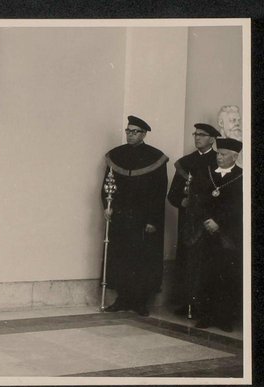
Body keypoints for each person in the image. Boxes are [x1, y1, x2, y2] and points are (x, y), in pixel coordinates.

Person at [102, 115, 168, 316]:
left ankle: (140, 302)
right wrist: (107, 205)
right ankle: (122, 299)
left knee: (141, 259)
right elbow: (107, 184)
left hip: (143, 218)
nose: (130, 135)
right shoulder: (116, 155)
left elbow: (159, 192)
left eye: (134, 132)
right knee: (121, 257)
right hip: (121, 216)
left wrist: (153, 220)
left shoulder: (155, 157)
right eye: (128, 131)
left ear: (144, 134)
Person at [185, 138, 243, 332]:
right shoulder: (207, 174)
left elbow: (238, 208)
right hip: (206, 232)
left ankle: (224, 318)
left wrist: (219, 223)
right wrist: (207, 220)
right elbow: (198, 201)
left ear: (234, 156)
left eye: (224, 154)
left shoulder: (242, 177)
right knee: (206, 275)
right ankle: (206, 316)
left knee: (227, 276)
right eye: (218, 153)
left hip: (228, 235)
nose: (219, 157)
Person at [167, 123, 220, 316]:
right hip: (188, 221)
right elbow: (172, 195)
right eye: (195, 134)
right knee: (187, 261)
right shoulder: (186, 162)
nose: (197, 137)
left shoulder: (219, 160)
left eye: (202, 135)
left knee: (207, 262)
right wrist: (182, 201)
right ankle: (187, 302)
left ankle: (205, 306)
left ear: (212, 139)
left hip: (209, 221)